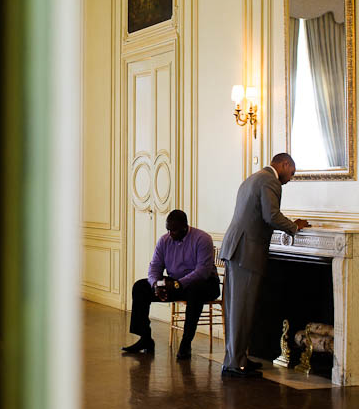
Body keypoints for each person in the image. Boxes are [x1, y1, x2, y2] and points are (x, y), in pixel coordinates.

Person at [219, 153, 310, 378]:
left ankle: (235, 358)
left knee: (234, 308)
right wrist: (294, 226)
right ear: (284, 164)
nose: (290, 178)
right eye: (292, 173)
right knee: (242, 308)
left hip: (235, 248)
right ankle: (236, 363)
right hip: (247, 252)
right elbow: (271, 215)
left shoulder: (251, 178)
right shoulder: (270, 180)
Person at [121, 209, 221, 360]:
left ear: (185, 227)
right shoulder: (164, 241)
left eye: (174, 230)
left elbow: (203, 271)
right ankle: (145, 339)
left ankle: (186, 343)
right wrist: (156, 284)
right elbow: (154, 267)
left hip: (205, 284)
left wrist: (177, 285)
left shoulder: (202, 239)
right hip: (176, 283)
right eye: (168, 229)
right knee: (140, 287)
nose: (170, 233)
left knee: (195, 290)